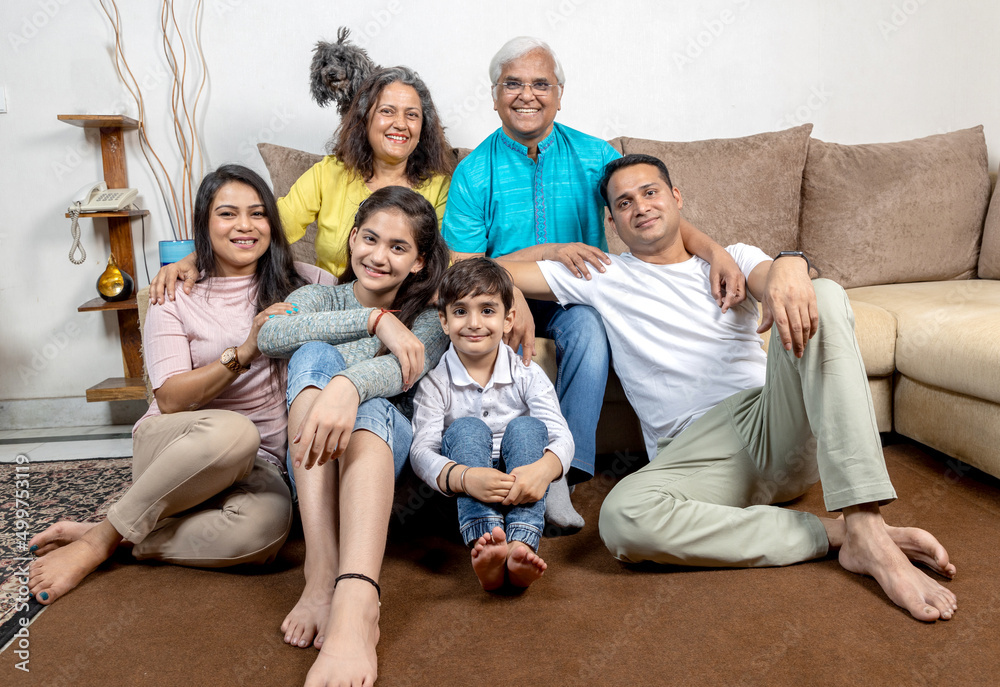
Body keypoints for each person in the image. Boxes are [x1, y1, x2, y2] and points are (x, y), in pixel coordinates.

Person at [499, 154, 958, 622]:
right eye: (624, 202)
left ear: (677, 198)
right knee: (622, 520)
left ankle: (867, 522)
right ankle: (840, 535)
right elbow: (468, 272)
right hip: (691, 456)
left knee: (824, 294)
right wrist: (539, 261)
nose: (640, 206)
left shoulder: (733, 257)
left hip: (767, 421)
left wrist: (792, 262)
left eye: (651, 192)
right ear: (613, 222)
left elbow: (785, 285)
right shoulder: (601, 274)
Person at [442, 36, 746, 528]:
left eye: (541, 84)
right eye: (513, 84)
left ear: (559, 94)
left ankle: (563, 471)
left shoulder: (593, 156)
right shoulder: (474, 172)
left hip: (576, 294)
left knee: (586, 326)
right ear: (495, 95)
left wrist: (715, 252)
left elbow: (655, 212)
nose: (527, 95)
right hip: (498, 295)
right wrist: (510, 289)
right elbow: (463, 269)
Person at [27, 164, 334, 605]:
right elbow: (169, 399)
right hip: (181, 445)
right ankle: (99, 542)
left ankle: (117, 539)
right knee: (235, 431)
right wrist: (244, 351)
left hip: (261, 463)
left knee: (264, 533)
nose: (245, 226)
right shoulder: (174, 294)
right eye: (227, 214)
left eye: (258, 213)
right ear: (204, 226)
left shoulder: (310, 283)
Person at [257, 185, 450, 686]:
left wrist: (347, 385)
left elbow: (402, 373)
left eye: (398, 247)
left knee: (370, 405)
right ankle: (321, 569)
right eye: (370, 238)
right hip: (315, 460)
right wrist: (373, 320)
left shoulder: (430, 319)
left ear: (419, 262)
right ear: (351, 239)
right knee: (310, 354)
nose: (379, 256)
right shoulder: (317, 297)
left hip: (384, 454)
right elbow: (268, 336)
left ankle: (359, 597)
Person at [150, 65, 453, 297]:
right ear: (365, 119)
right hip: (336, 303)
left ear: (423, 126)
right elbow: (272, 227)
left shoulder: (441, 185)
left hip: (409, 306)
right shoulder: (330, 173)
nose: (400, 123)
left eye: (412, 115)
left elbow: (440, 262)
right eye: (387, 111)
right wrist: (195, 259)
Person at [410, 257, 574, 591]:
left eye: (487, 310)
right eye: (460, 312)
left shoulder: (526, 372)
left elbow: (560, 434)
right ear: (443, 321)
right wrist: (465, 477)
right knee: (466, 429)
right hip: (467, 490)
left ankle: (520, 543)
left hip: (522, 479)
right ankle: (486, 542)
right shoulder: (435, 382)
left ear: (508, 318)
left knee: (527, 428)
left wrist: (544, 469)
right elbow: (420, 451)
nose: (474, 323)